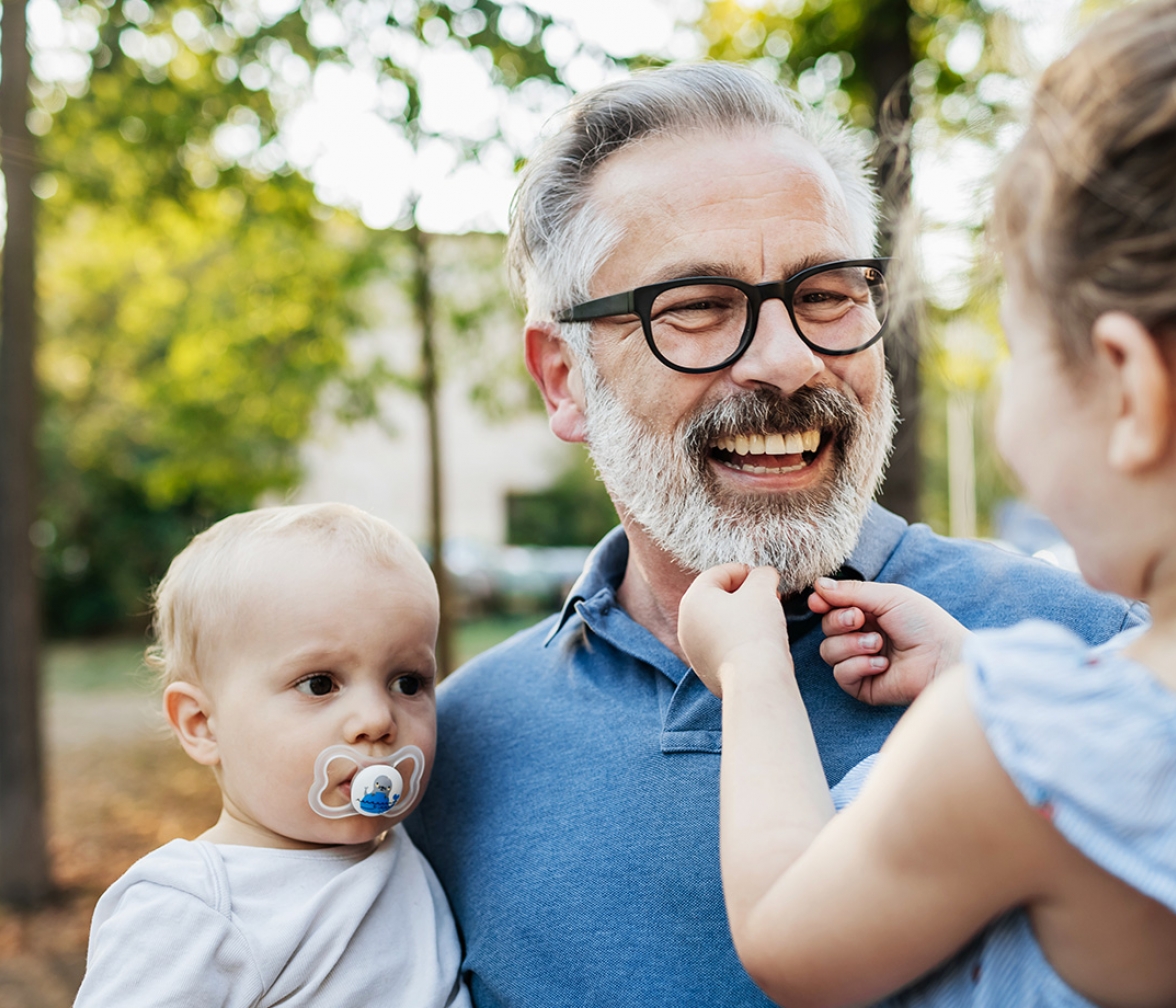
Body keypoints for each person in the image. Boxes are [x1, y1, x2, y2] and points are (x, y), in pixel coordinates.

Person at [406, 62, 1146, 1008]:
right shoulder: (455, 750)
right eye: (699, 308)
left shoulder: (1094, 664)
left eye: (830, 293)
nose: (789, 361)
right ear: (563, 377)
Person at [676, 3, 1176, 1005]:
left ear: (1127, 389)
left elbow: (786, 930)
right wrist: (972, 670)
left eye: (1017, 342)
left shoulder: (1020, 735)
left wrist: (753, 674)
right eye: (698, 307)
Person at [74, 503, 470, 1008]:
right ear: (202, 724)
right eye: (320, 683)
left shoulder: (407, 852)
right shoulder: (194, 908)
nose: (377, 719)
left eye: (407, 682)